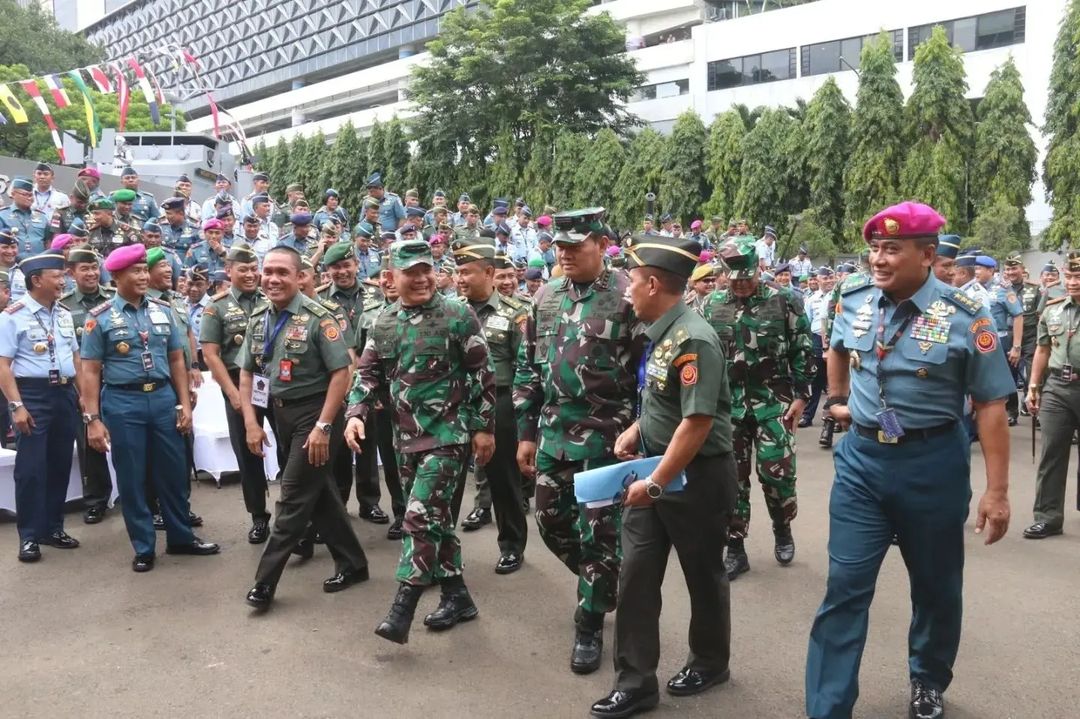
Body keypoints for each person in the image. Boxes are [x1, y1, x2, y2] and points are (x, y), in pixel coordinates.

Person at [805, 201, 1013, 719]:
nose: (878, 258)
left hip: (932, 466)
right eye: (875, 247)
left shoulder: (967, 315)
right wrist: (836, 399)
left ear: (926, 255)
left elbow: (990, 405)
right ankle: (827, 707)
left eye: (892, 249)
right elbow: (834, 346)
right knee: (844, 588)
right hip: (861, 464)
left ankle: (927, 678)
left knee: (936, 587)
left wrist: (998, 491)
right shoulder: (851, 296)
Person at [589, 234, 737, 719]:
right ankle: (635, 683)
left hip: (696, 477)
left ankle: (710, 661)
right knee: (636, 577)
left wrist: (654, 484)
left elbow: (697, 423)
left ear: (654, 284)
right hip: (654, 469)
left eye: (632, 282)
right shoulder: (664, 332)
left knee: (702, 574)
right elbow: (664, 401)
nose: (627, 290)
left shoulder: (693, 338)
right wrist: (635, 428)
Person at [345, 239, 496, 644]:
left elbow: (483, 373)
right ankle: (457, 595)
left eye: (426, 270)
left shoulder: (457, 314)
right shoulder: (385, 322)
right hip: (405, 440)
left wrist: (483, 428)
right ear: (392, 278)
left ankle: (402, 607)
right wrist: (355, 415)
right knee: (436, 520)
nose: (421, 279)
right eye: (411, 272)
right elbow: (367, 375)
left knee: (417, 518)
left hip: (449, 435)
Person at [514, 208, 645, 675]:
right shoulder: (546, 296)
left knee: (599, 533)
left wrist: (642, 428)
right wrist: (526, 433)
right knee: (551, 523)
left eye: (575, 246)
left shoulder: (628, 296)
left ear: (600, 244)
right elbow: (529, 369)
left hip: (609, 440)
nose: (565, 254)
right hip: (553, 436)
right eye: (559, 247)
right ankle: (604, 578)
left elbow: (648, 371)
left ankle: (589, 621)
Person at [240, 246, 369, 609]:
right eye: (268, 271)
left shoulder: (319, 317)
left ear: (301, 277)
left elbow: (342, 372)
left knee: (293, 496)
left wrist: (324, 426)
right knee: (321, 496)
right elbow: (248, 371)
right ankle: (354, 563)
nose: (273, 278)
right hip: (280, 414)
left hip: (315, 415)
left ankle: (264, 583)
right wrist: (251, 422)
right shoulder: (259, 317)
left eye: (283, 272)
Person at [79, 244, 220, 572]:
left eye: (145, 270)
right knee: (132, 476)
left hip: (161, 398)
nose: (143, 276)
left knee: (173, 472)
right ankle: (143, 546)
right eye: (136, 271)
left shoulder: (162, 309)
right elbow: (90, 370)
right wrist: (93, 419)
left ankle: (181, 537)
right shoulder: (98, 318)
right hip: (123, 402)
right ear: (116, 276)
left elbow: (176, 359)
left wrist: (183, 403)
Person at [704, 238, 814, 580]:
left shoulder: (786, 301)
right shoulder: (711, 305)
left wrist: (801, 396)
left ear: (759, 269)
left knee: (776, 474)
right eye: (733, 277)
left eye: (746, 276)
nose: (740, 283)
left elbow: (804, 349)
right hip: (728, 408)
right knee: (731, 481)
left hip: (774, 405)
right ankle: (735, 546)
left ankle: (782, 527)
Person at [451, 236, 529, 574]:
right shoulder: (451, 310)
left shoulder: (516, 313)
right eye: (457, 272)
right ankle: (440, 548)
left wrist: (524, 414)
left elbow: (526, 364)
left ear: (488, 272)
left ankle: (512, 545)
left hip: (500, 402)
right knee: (448, 479)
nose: (460, 279)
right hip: (456, 403)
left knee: (503, 478)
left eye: (467, 272)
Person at [0, 252, 82, 562]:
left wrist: (82, 393)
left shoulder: (62, 313)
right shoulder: (12, 316)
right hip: (31, 396)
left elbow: (75, 357)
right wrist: (17, 405)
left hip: (63, 393)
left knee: (60, 463)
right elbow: (3, 366)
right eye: (57, 275)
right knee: (31, 468)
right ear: (37, 280)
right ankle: (30, 536)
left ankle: (52, 527)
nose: (63, 280)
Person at [318, 241, 400, 524]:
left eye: (346, 265)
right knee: (339, 449)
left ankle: (369, 502)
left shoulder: (374, 294)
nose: (342, 272)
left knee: (367, 443)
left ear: (355, 264)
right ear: (327, 271)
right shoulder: (319, 300)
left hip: (369, 385)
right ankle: (339, 503)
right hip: (335, 384)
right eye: (335, 267)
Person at [198, 244, 273, 543]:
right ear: (228, 271)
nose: (251, 274)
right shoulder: (216, 307)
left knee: (293, 444)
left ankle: (301, 514)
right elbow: (211, 355)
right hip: (238, 383)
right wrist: (231, 393)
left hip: (274, 380)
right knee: (248, 451)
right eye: (243, 269)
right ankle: (258, 516)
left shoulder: (271, 300)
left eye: (254, 268)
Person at [1024, 252, 1080, 539]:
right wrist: (1033, 387)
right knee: (1052, 453)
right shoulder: (1053, 309)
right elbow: (1043, 350)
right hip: (1057, 387)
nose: (1073, 282)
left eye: (1078, 276)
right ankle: (1048, 516)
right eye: (1069, 276)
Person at [60, 245, 115, 524]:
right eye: (85, 268)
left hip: (118, 378)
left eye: (95, 267)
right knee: (90, 441)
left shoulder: (114, 298)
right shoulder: (64, 306)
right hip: (85, 380)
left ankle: (141, 495)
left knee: (130, 439)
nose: (92, 273)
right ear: (71, 273)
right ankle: (96, 500)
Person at [976, 256, 1024, 425]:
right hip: (977, 341)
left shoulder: (1002, 289)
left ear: (991, 270)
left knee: (1006, 378)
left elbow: (1018, 315)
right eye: (974, 268)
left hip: (1000, 340)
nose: (976, 272)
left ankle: (1011, 410)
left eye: (979, 269)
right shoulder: (971, 289)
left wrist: (1016, 347)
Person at [801, 266, 835, 428]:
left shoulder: (840, 297)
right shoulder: (812, 299)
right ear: (818, 280)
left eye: (830, 278)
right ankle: (807, 416)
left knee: (835, 381)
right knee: (816, 380)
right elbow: (806, 322)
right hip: (816, 340)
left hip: (836, 339)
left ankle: (833, 418)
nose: (828, 281)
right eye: (825, 278)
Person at [0, 177, 51, 259]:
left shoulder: (42, 217)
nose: (30, 198)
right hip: (12, 263)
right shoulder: (2, 215)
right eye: (25, 194)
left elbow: (48, 242)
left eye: (31, 195)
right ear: (13, 194)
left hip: (38, 264)